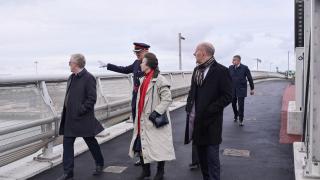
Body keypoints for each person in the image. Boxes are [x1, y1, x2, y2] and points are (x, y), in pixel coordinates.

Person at [184, 42, 232, 180]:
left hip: (212, 123)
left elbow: (228, 96)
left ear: (203, 53)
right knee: (203, 160)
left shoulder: (221, 71)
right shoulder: (196, 70)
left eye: (196, 51)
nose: (194, 54)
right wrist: (189, 106)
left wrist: (210, 109)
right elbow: (192, 91)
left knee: (212, 161)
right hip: (197, 122)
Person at [100, 42, 150, 166]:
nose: (137, 54)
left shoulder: (151, 63)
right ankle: (142, 156)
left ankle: (149, 155)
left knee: (146, 129)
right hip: (136, 101)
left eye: (139, 52)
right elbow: (124, 69)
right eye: (136, 52)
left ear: (146, 51)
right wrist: (108, 65)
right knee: (137, 128)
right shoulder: (136, 63)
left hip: (146, 100)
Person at [128, 52, 176, 180]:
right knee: (141, 144)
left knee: (160, 146)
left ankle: (160, 172)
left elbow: (167, 99)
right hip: (142, 119)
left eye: (142, 62)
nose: (140, 64)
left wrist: (156, 113)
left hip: (153, 119)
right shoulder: (143, 79)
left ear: (148, 64)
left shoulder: (160, 79)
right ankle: (146, 171)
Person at [57, 54, 105, 180]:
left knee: (91, 142)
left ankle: (99, 163)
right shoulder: (71, 77)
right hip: (70, 118)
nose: (69, 64)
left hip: (83, 118)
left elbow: (92, 99)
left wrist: (80, 110)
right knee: (67, 144)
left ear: (76, 64)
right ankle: (68, 172)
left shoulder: (89, 78)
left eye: (70, 62)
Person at [228, 55, 254, 126]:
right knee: (233, 104)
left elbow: (250, 78)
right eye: (232, 60)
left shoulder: (245, 68)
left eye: (234, 60)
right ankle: (236, 115)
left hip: (241, 89)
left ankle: (241, 119)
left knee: (241, 105)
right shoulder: (230, 68)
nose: (232, 61)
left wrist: (252, 89)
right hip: (232, 90)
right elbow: (227, 78)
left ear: (238, 60)